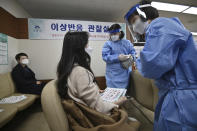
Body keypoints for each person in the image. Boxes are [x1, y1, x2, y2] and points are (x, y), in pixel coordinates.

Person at [124, 0, 197, 130]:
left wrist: (138, 60)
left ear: (145, 16)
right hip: (179, 94)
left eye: (134, 20)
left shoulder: (159, 25)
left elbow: (153, 63)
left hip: (182, 98)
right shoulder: (166, 26)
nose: (134, 26)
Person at [56, 31, 127, 114]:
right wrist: (118, 102)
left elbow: (79, 92)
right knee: (124, 112)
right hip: (93, 116)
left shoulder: (65, 68)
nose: (90, 48)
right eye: (87, 44)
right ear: (79, 48)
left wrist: (94, 91)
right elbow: (99, 108)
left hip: (82, 111)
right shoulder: (80, 72)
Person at [102, 24, 136, 89]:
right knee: (113, 94)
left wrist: (130, 57)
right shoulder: (108, 44)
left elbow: (133, 53)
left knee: (123, 94)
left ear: (120, 33)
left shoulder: (127, 43)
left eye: (114, 33)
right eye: (111, 34)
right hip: (112, 75)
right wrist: (118, 57)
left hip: (125, 74)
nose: (113, 36)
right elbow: (105, 57)